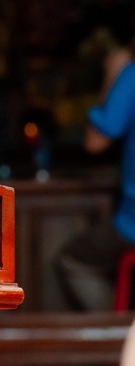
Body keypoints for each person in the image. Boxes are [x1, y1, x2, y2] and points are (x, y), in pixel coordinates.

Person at [57, 30, 135, 311]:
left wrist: (112, 76)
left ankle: (119, 343)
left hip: (132, 225)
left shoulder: (131, 74)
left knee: (75, 261)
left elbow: (94, 142)